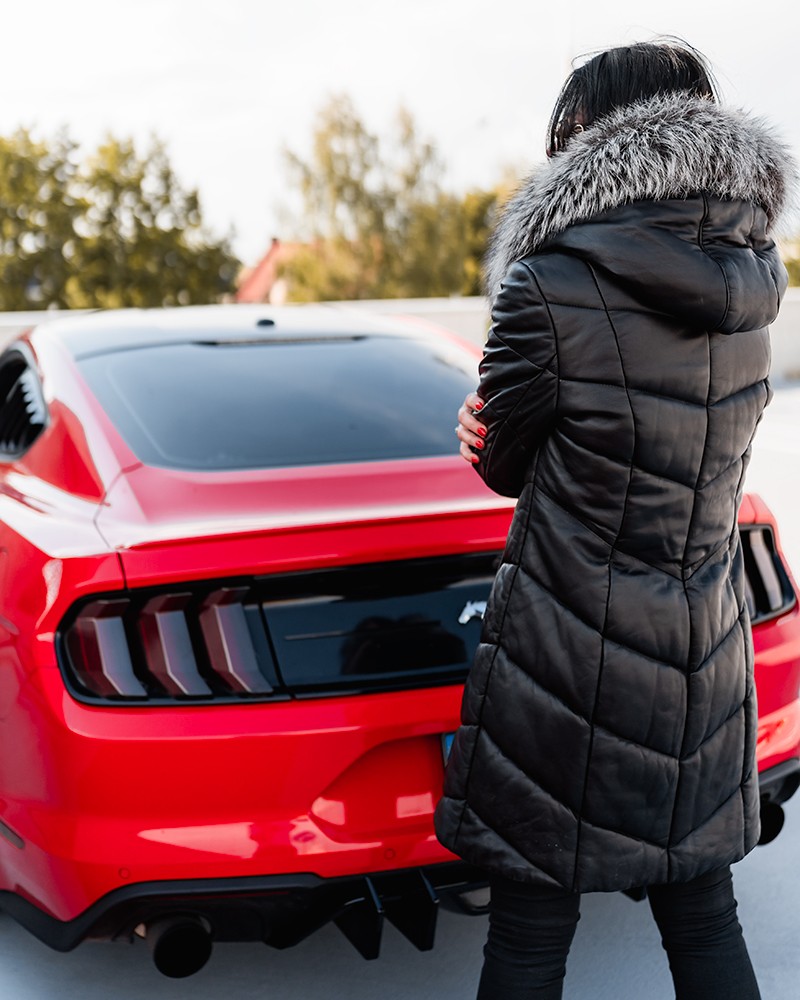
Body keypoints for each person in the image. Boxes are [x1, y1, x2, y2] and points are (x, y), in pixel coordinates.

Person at [433, 38, 797, 1000]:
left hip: (568, 655)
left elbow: (508, 465)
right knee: (706, 921)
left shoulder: (547, 283)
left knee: (528, 935)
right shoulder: (757, 286)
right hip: (701, 655)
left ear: (589, 136)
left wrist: (478, 434)